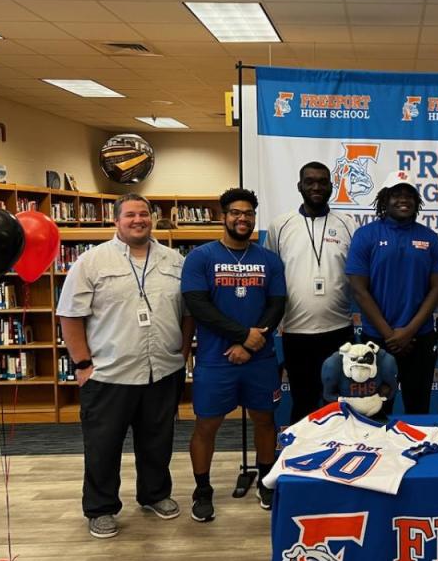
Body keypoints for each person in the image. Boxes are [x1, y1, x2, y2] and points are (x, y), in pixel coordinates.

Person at [57, 193, 194, 539]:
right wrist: (83, 363)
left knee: (157, 441)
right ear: (116, 221)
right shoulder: (91, 262)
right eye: (130, 215)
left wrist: (182, 351)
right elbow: (70, 315)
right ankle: (101, 508)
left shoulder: (174, 260)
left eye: (144, 214)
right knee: (103, 445)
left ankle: (155, 494)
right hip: (109, 372)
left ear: (152, 219)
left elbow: (188, 311)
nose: (138, 220)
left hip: (162, 369)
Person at [181, 188, 286, 522]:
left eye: (249, 213)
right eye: (236, 213)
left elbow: (277, 304)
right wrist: (243, 336)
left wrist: (252, 343)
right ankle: (203, 490)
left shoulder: (269, 259)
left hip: (260, 358)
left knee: (265, 421)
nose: (243, 218)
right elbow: (198, 305)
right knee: (206, 426)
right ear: (223, 216)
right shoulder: (201, 257)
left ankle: (266, 482)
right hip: (216, 360)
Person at [346, 170, 438, 415]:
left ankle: (416, 452)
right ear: (384, 199)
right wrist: (390, 335)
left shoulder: (429, 238)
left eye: (409, 195)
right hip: (378, 340)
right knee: (376, 409)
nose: (403, 200)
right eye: (396, 194)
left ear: (417, 201)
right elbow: (359, 290)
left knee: (418, 408)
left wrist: (408, 332)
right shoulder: (366, 236)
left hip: (419, 339)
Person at [266, 161, 355, 423]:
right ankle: (301, 461)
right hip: (296, 332)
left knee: (339, 403)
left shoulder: (348, 223)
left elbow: (359, 276)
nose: (316, 186)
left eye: (322, 181)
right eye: (310, 181)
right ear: (299, 186)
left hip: (339, 330)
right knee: (303, 401)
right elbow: (271, 277)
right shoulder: (280, 225)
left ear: (331, 186)